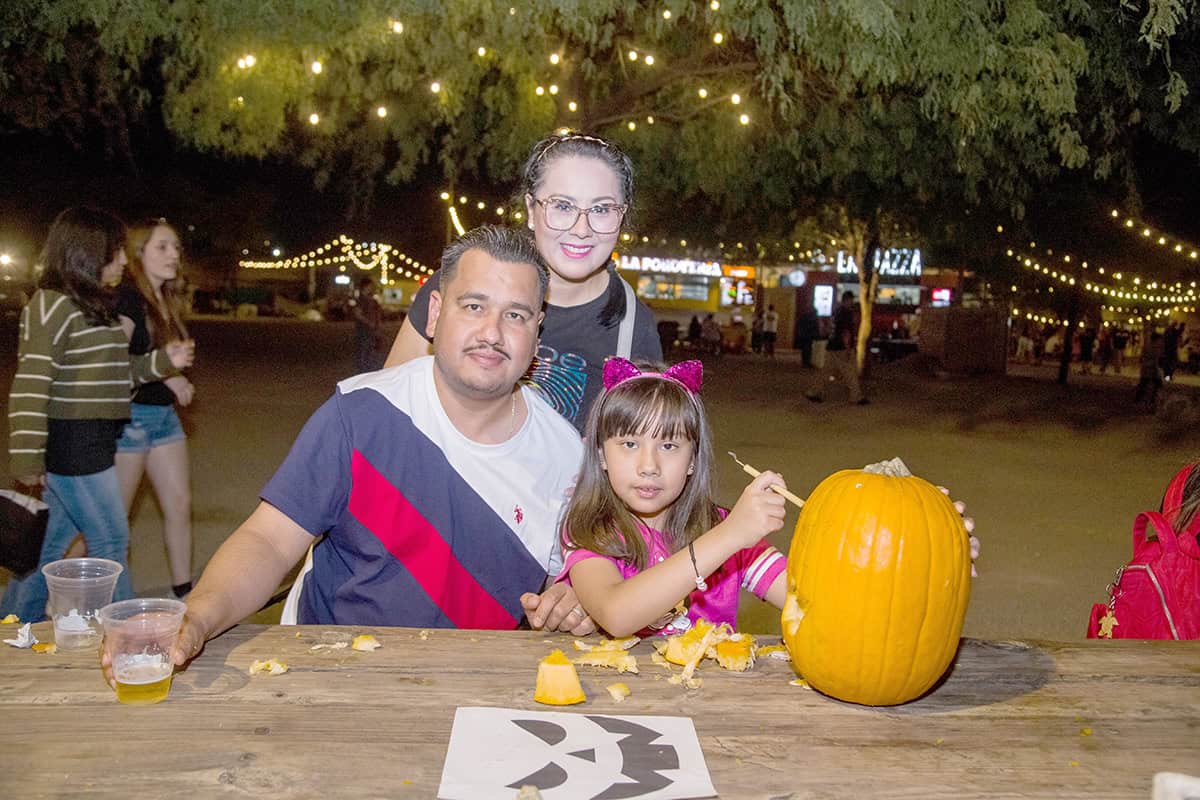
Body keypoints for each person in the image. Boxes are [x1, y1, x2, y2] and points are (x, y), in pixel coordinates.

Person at [144, 226, 591, 675]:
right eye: (473, 306)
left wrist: (575, 601)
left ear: (537, 332)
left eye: (516, 315)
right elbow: (269, 541)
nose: (492, 332)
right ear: (435, 315)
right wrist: (197, 616)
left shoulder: (565, 455)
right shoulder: (361, 413)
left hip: (473, 680)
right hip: (330, 668)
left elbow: (565, 582)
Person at [384, 132, 661, 432]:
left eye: (601, 209)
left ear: (622, 217)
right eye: (563, 206)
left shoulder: (635, 327)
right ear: (531, 210)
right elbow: (390, 401)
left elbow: (638, 450)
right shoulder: (464, 282)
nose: (582, 229)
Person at [2, 208, 194, 622]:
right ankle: (130, 640)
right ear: (88, 253)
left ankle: (13, 625)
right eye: (116, 252)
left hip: (97, 441)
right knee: (110, 539)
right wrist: (27, 461)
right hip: (73, 442)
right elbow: (31, 387)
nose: (124, 261)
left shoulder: (95, 307)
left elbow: (116, 375)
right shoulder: (49, 306)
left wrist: (162, 362)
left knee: (49, 549)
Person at [557, 357, 788, 637]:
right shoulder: (589, 530)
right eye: (629, 444)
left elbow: (807, 600)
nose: (649, 466)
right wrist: (729, 536)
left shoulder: (721, 526)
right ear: (601, 454)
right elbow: (616, 614)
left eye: (668, 445)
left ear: (692, 459)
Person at [113, 219, 196, 599]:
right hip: (130, 420)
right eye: (162, 247)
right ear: (138, 252)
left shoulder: (167, 301)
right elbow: (114, 362)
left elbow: (155, 359)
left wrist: (173, 377)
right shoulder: (129, 298)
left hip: (163, 419)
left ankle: (185, 594)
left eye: (176, 247)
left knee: (179, 504)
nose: (173, 255)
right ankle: (62, 584)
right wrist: (166, 370)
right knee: (111, 522)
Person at [806, 291, 865, 404]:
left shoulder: (836, 311)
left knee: (826, 371)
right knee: (850, 372)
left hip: (832, 345)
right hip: (841, 347)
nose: (852, 302)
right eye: (851, 300)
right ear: (848, 300)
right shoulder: (846, 313)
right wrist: (848, 348)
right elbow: (846, 332)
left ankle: (813, 392)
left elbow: (829, 328)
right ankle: (856, 397)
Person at [350, 275, 383, 373]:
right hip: (363, 330)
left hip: (370, 330)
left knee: (369, 352)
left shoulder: (371, 299)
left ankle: (366, 372)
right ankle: (363, 373)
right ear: (365, 286)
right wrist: (369, 323)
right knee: (364, 352)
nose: (372, 288)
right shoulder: (361, 300)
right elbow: (357, 314)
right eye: (370, 286)